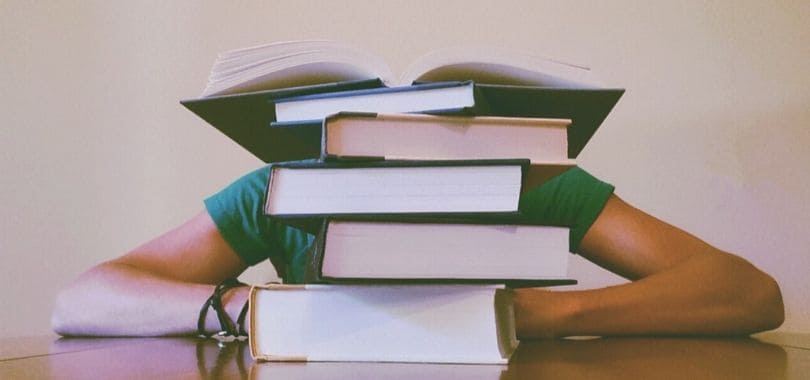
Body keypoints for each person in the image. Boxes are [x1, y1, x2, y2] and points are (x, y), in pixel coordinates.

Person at [51, 165, 784, 338]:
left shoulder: (530, 180)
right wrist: (246, 307)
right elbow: (82, 298)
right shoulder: (285, 191)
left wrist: (529, 314)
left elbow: (749, 292)